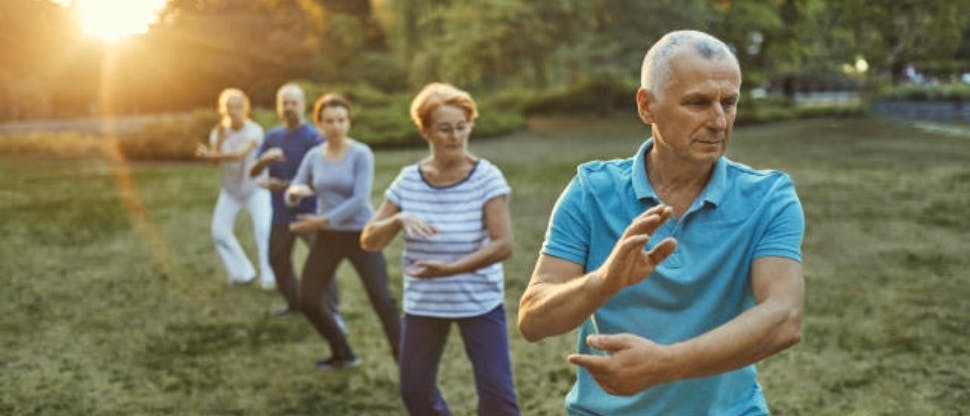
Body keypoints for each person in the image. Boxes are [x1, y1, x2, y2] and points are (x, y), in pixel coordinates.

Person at [517, 30, 805, 415]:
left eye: (729, 102)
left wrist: (664, 365)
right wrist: (605, 280)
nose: (719, 120)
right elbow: (533, 320)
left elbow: (784, 318)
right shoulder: (591, 191)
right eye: (698, 103)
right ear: (647, 106)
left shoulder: (769, 197)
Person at [360, 83, 520, 415]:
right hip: (425, 303)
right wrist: (397, 220)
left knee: (498, 398)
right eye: (445, 129)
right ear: (426, 131)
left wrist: (449, 270)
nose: (455, 136)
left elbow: (503, 245)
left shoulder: (486, 177)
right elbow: (369, 240)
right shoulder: (408, 180)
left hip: (478, 300)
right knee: (415, 392)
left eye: (462, 127)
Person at [285, 93, 401, 370]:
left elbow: (359, 199)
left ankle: (406, 363)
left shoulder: (361, 153)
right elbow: (296, 187)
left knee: (381, 299)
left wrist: (320, 220)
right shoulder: (313, 155)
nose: (336, 126)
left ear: (349, 122)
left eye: (341, 120)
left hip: (361, 234)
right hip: (328, 238)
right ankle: (342, 352)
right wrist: (294, 193)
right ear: (320, 124)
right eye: (329, 121)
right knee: (308, 299)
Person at [250, 83, 340, 318]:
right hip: (281, 213)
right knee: (276, 260)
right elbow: (253, 172)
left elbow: (322, 179)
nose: (289, 107)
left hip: (309, 212)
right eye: (284, 103)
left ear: (303, 105)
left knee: (322, 262)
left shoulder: (314, 138)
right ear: (279, 107)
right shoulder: (272, 136)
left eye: (294, 103)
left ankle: (333, 310)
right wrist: (263, 161)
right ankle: (295, 304)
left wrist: (284, 186)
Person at [194, 88, 274, 288]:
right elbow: (215, 163)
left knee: (264, 230)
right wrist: (218, 141)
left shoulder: (254, 130)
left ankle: (269, 277)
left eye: (238, 106)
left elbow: (239, 154)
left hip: (256, 188)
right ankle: (242, 273)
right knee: (219, 232)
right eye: (229, 107)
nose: (233, 110)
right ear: (223, 109)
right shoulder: (218, 132)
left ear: (245, 108)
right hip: (231, 191)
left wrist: (209, 155)